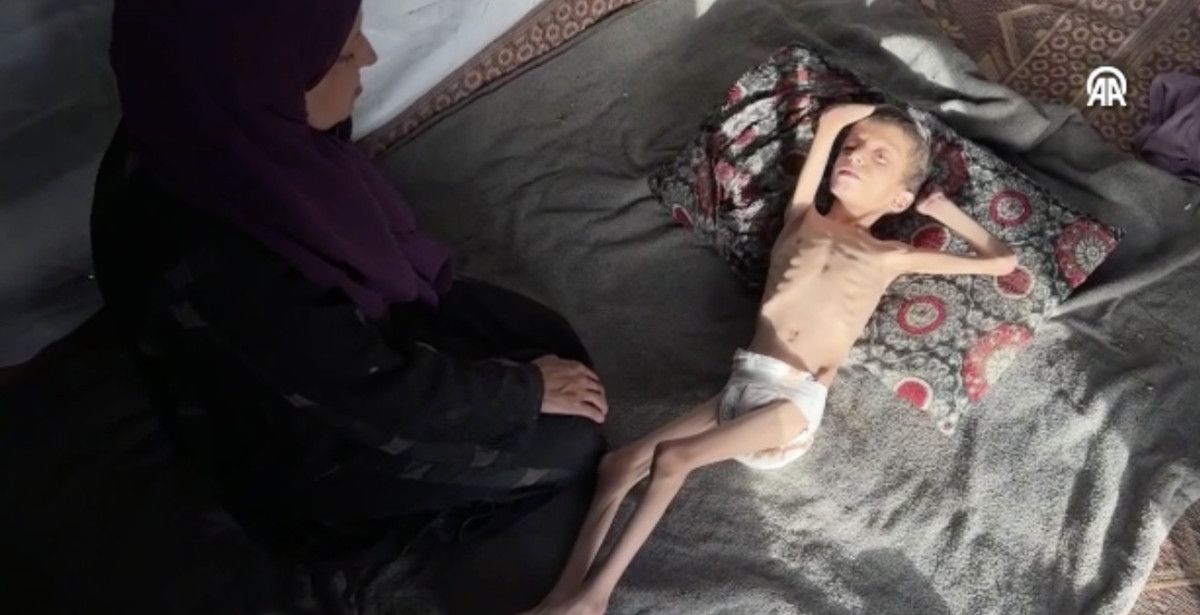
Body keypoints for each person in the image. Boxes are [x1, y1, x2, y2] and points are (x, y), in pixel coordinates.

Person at [91, 0, 609, 572]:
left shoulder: (211, 122)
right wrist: (521, 393)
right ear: (266, 80)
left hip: (336, 346)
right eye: (342, 55)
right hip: (301, 439)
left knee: (547, 340)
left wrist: (517, 384)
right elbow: (370, 395)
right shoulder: (225, 271)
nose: (369, 56)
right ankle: (376, 540)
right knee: (571, 441)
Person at [528, 103, 1018, 614]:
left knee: (673, 459)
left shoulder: (888, 256)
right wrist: (840, 125)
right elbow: (830, 128)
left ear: (899, 198)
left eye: (879, 157)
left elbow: (1001, 262)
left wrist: (943, 211)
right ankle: (563, 593)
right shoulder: (803, 218)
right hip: (742, 383)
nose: (855, 156)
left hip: (793, 407)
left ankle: (594, 600)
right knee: (620, 465)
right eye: (852, 147)